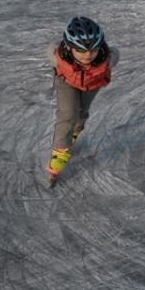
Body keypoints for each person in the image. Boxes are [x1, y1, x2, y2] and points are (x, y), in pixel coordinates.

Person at [47, 17, 119, 184]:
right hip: (66, 82)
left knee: (81, 114)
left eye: (93, 51)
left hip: (92, 84)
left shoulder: (106, 58)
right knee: (68, 115)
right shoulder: (59, 56)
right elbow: (51, 49)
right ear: (70, 48)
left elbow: (115, 52)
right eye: (81, 51)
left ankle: (73, 134)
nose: (87, 56)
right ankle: (60, 152)